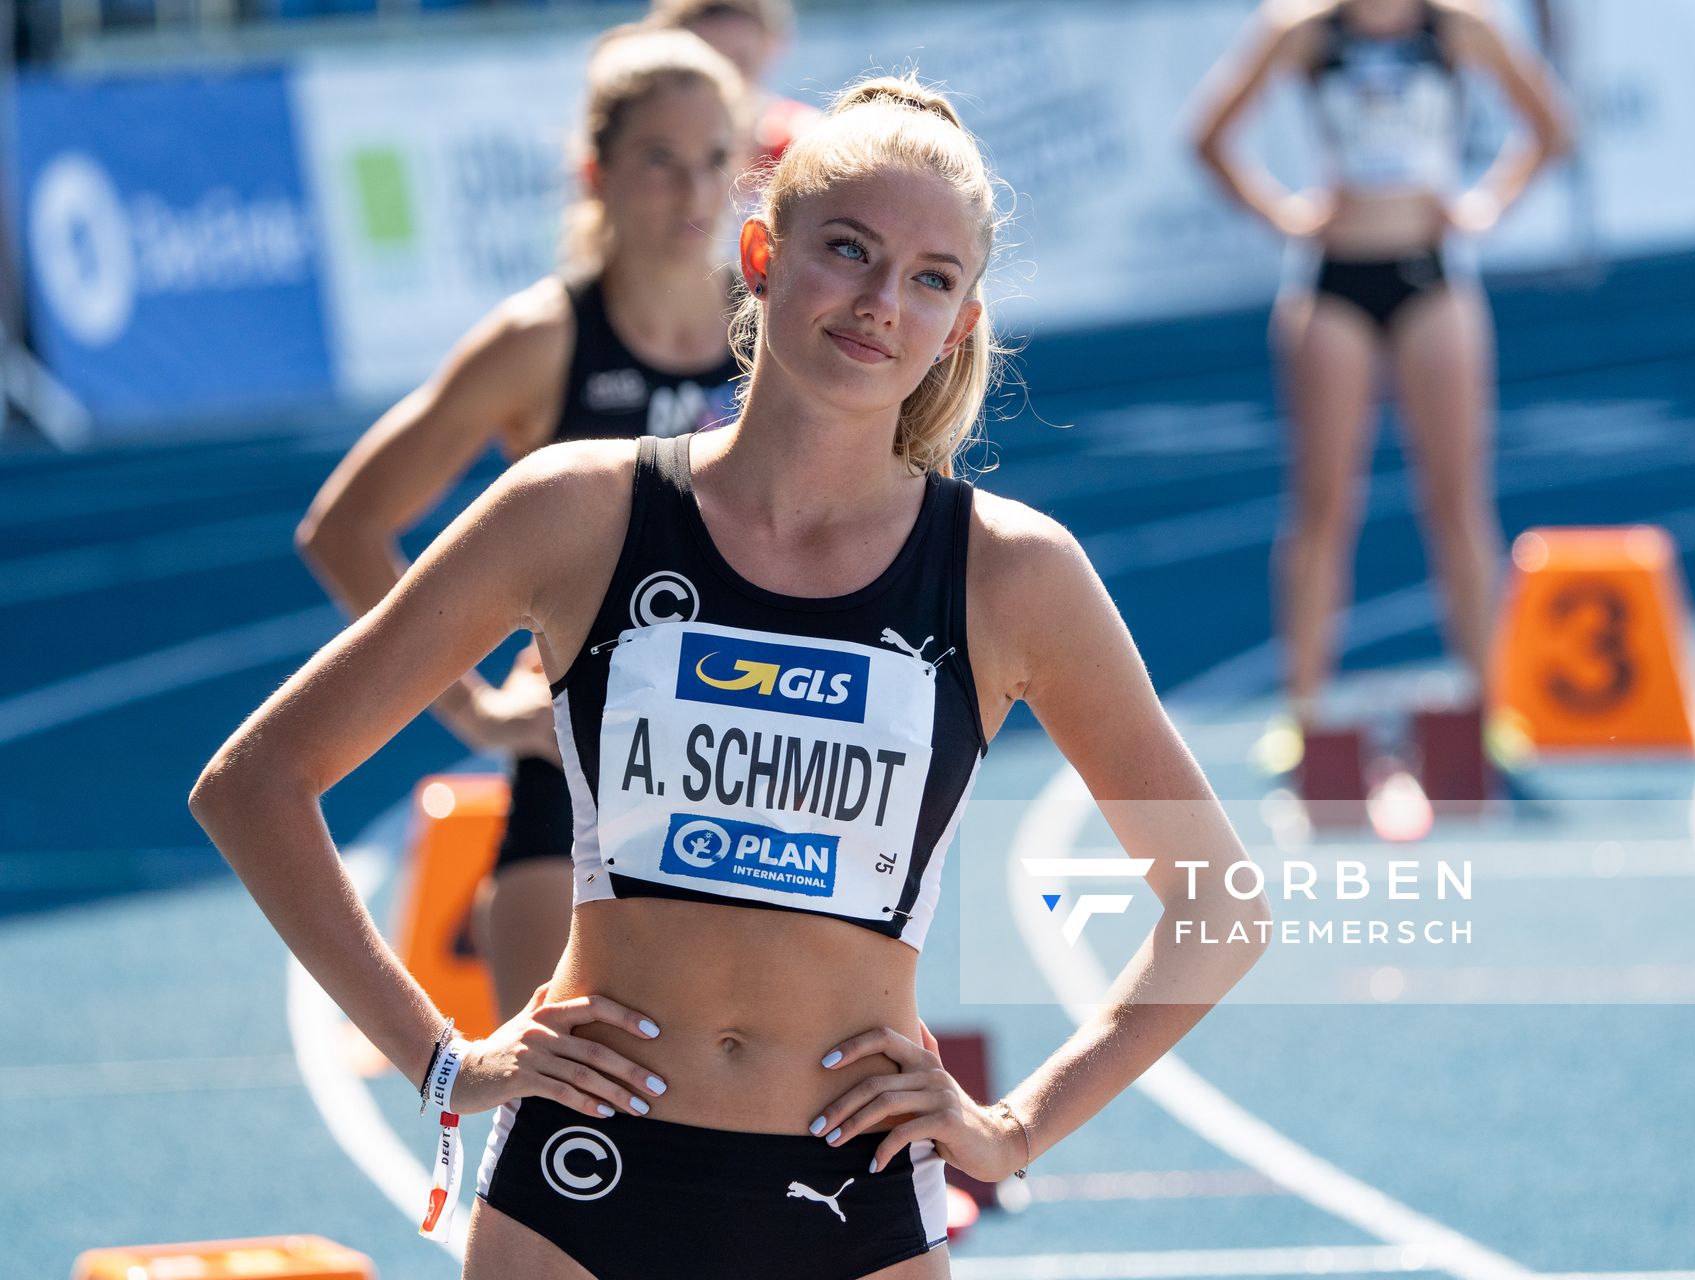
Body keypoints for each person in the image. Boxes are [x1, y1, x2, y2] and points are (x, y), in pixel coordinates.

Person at [196, 75, 1269, 1277]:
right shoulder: (576, 511)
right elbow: (255, 783)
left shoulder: (1013, 574)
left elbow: (1219, 903)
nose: (879, 304)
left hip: (854, 1206)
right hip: (578, 1188)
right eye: (849, 250)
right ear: (761, 254)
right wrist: (442, 1059)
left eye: (929, 278)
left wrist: (1011, 1130)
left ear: (961, 322)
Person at [295, 29, 749, 1026]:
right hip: (578, 772)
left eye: (716, 158)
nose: (695, 191)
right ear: (596, 173)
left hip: (749, 758)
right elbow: (345, 525)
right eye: (660, 160)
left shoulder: (773, 325)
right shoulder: (541, 341)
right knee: (554, 1130)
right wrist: (470, 709)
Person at [1191, 0, 1572, 774]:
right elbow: (1208, 136)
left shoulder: (1461, 25)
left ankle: (1491, 707)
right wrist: (1283, 213)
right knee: (1324, 504)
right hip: (1333, 285)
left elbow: (1551, 127)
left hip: (1434, 277)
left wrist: (1485, 205)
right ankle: (1302, 716)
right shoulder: (1301, 30)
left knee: (1459, 499)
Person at [629, 0, 821, 171]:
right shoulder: (636, 146)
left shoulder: (805, 143)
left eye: (740, 61)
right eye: (708, 64)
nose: (727, 82)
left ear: (772, 45)